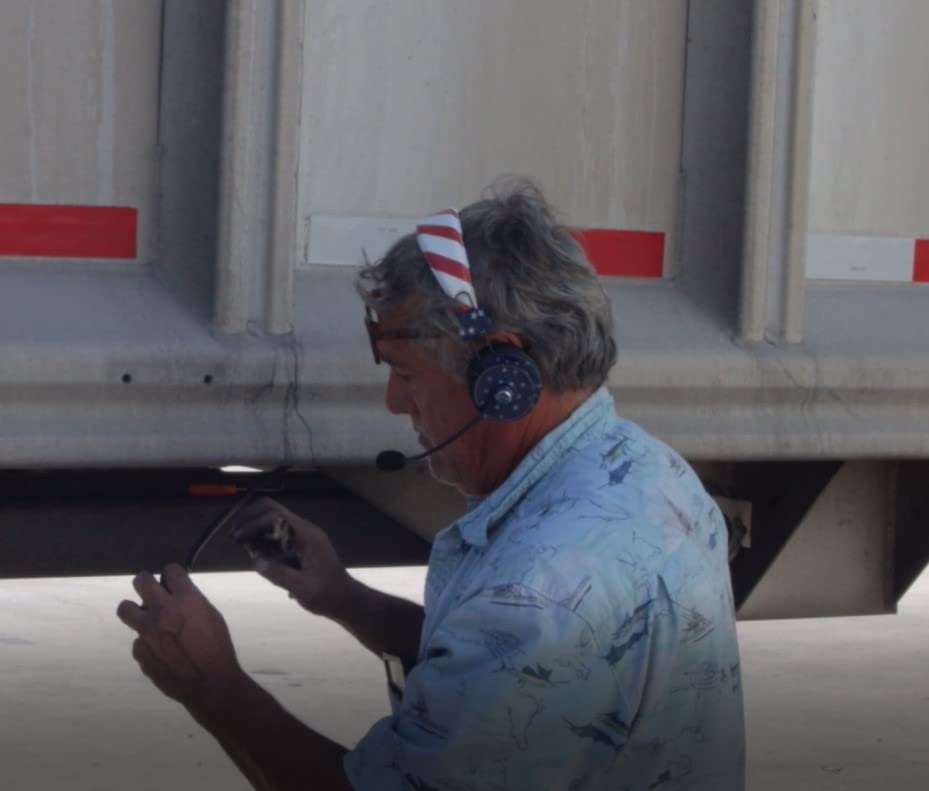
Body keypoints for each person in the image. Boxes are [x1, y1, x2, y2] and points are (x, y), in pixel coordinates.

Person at [117, 180, 745, 790]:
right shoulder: (654, 475)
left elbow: (523, 637)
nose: (394, 401)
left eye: (406, 372)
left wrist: (214, 687)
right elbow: (513, 676)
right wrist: (342, 597)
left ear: (502, 377)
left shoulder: (536, 592)